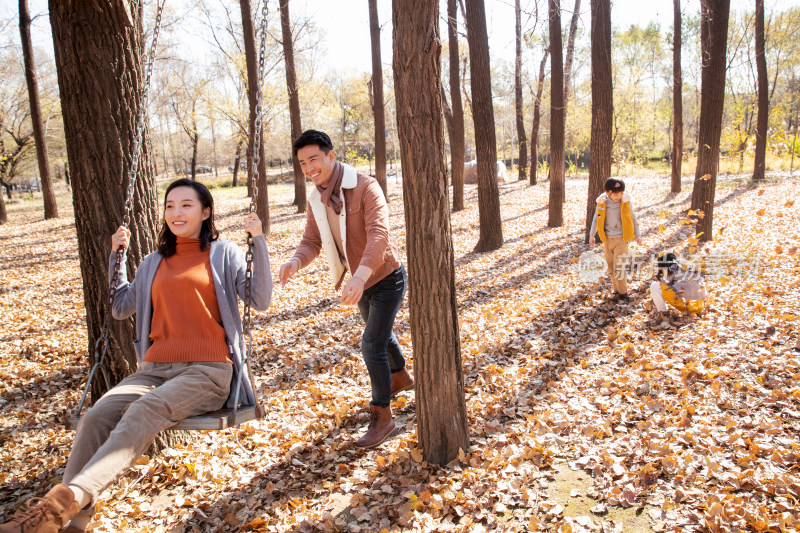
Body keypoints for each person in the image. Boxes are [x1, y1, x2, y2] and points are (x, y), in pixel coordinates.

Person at [0, 179, 272, 533]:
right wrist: (117, 256)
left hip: (208, 370)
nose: (177, 212)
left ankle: (50, 513)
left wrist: (259, 240)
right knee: (96, 416)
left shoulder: (225, 253)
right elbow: (120, 307)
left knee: (144, 409)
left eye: (187, 205)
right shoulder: (153, 262)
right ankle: (72, 522)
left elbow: (261, 299)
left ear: (205, 213)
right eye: (170, 205)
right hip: (155, 369)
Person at [279, 129, 411, 449]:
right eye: (302, 163)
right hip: (359, 283)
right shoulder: (316, 198)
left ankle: (382, 416)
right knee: (379, 334)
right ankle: (402, 378)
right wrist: (295, 262)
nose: (309, 168)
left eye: (314, 159)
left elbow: (379, 236)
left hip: (385, 278)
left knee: (371, 344)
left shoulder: (365, 186)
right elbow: (310, 241)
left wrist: (360, 276)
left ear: (331, 156)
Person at [588, 178, 642, 301]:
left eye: (621, 193)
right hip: (607, 240)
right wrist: (592, 235)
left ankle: (624, 293)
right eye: (616, 194)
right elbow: (596, 218)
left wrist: (638, 235)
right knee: (611, 267)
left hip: (621, 240)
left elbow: (633, 218)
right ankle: (616, 289)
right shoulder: (602, 202)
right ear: (608, 192)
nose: (619, 196)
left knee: (619, 267)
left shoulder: (625, 202)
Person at [650, 251, 706, 315]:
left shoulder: (668, 269)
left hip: (687, 306)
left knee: (654, 286)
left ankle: (662, 311)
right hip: (700, 305)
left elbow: (666, 287)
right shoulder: (685, 264)